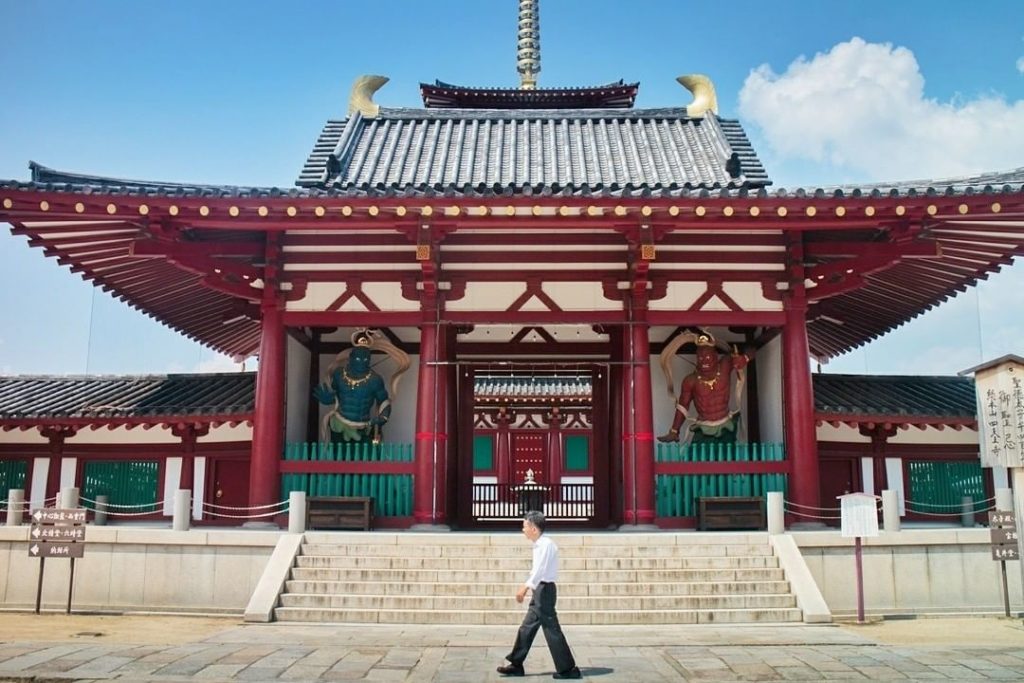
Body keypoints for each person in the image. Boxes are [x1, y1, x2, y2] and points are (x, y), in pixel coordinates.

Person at [497, 511, 582, 680]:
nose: (523, 530)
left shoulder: (545, 545)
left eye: (525, 526)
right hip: (540, 590)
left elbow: (540, 570)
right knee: (527, 628)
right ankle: (516, 663)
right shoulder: (539, 544)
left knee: (551, 629)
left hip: (544, 590)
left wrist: (525, 587)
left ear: (534, 528)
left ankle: (568, 668)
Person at [657, 332, 750, 445]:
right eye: (700, 357)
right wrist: (674, 430)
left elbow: (752, 348)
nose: (704, 360)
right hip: (703, 427)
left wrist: (745, 358)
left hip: (726, 425)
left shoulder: (725, 364)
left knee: (726, 459)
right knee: (697, 458)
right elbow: (682, 406)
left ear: (715, 356)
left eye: (707, 356)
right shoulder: (690, 381)